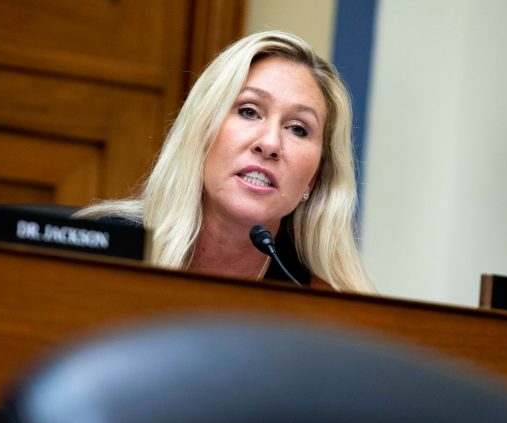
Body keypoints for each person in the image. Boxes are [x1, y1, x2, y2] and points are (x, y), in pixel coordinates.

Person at [76, 31, 374, 294]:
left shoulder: (325, 308)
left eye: (298, 128)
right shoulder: (102, 253)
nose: (269, 144)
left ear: (313, 179)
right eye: (248, 111)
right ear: (202, 132)